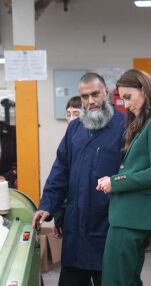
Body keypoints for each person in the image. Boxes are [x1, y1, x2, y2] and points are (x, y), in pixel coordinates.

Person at [32, 73, 126, 286]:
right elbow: (60, 171)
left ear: (107, 93)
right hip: (77, 230)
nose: (90, 101)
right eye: (84, 96)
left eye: (95, 94)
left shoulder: (125, 128)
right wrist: (48, 205)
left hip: (108, 229)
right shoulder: (75, 129)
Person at [96, 68, 151, 286]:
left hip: (132, 217)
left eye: (128, 97)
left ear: (143, 90)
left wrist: (115, 182)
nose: (126, 104)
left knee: (115, 281)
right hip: (132, 216)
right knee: (128, 280)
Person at [52, 95, 82, 239]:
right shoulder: (67, 141)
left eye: (76, 114)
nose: (71, 119)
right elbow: (61, 179)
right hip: (68, 211)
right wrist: (58, 219)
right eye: (68, 114)